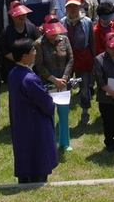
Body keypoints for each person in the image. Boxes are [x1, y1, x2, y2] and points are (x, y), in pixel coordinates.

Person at [7, 38, 57, 184]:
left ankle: (25, 178)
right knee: (37, 154)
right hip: (35, 125)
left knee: (24, 152)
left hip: (21, 122)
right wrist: (50, 100)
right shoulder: (29, 79)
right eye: (33, 51)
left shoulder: (14, 73)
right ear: (24, 56)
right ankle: (37, 180)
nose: (35, 53)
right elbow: (46, 104)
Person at [35, 18, 74, 151]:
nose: (55, 36)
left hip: (63, 83)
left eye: (56, 33)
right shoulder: (39, 44)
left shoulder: (65, 40)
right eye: (52, 34)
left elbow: (70, 59)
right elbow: (39, 66)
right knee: (49, 114)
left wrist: (64, 78)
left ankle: (65, 143)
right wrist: (54, 80)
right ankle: (49, 142)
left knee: (64, 114)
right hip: (48, 84)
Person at [61, 0, 95, 125]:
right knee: (66, 87)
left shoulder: (87, 22)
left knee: (85, 87)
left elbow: (92, 42)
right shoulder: (62, 22)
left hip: (83, 57)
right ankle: (64, 114)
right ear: (66, 8)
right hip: (66, 59)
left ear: (79, 7)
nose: (72, 9)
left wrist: (93, 61)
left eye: (75, 6)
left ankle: (85, 112)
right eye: (70, 6)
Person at [2, 2, 40, 76]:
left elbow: (38, 44)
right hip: (13, 67)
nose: (22, 16)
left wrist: (30, 60)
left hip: (31, 66)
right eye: (19, 15)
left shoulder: (32, 28)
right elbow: (4, 50)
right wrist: (19, 61)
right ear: (12, 16)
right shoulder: (6, 31)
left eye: (24, 14)